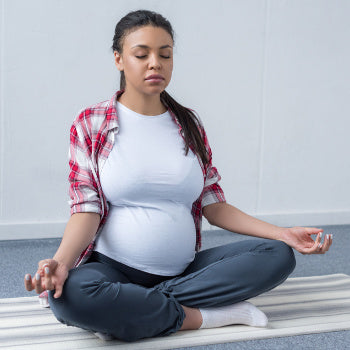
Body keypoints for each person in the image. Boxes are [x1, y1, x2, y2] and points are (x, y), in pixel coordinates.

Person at [24, 9, 333, 343]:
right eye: (141, 54)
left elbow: (214, 205)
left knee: (276, 256)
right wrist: (60, 264)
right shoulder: (90, 123)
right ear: (118, 59)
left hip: (185, 270)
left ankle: (135, 310)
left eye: (165, 54)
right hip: (113, 267)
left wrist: (283, 233)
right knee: (71, 296)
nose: (155, 63)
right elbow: (86, 208)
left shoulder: (189, 123)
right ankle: (204, 316)